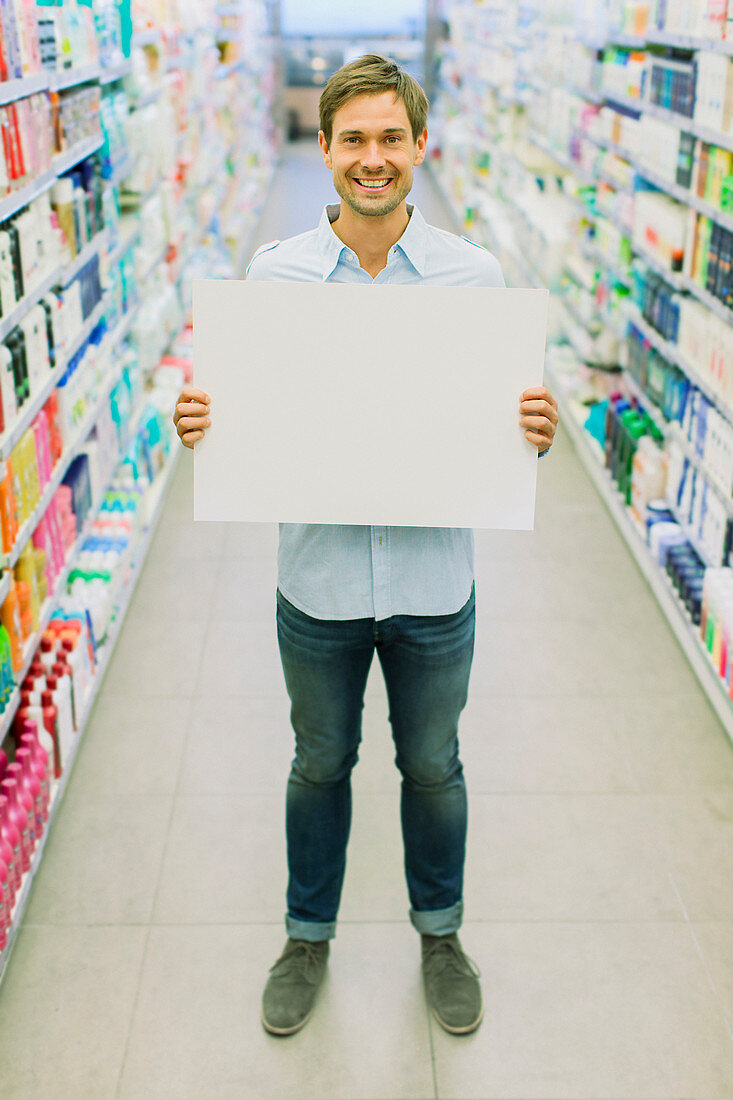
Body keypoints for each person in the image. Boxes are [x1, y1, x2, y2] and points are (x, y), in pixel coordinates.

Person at [173, 55, 558, 1039]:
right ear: (326, 143)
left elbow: (507, 420)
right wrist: (207, 419)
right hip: (320, 586)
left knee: (433, 764)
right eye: (354, 139)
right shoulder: (276, 277)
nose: (373, 158)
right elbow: (247, 415)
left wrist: (532, 425)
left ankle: (440, 932)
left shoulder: (474, 278)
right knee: (319, 761)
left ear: (419, 146)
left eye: (392, 138)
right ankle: (308, 933)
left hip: (434, 585)